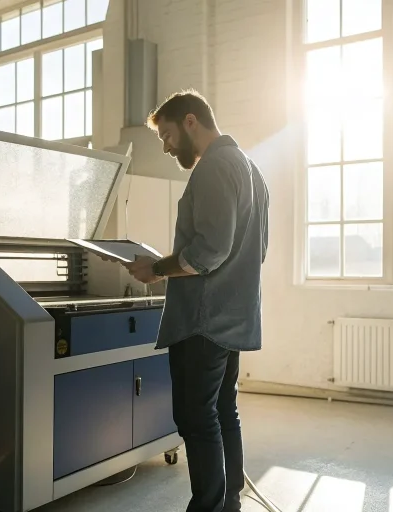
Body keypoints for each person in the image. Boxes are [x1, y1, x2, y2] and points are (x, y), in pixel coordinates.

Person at [121, 90, 269, 512]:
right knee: (223, 410)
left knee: (195, 417)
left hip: (204, 322)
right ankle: (230, 503)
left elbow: (208, 253)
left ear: (190, 121)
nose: (166, 147)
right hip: (233, 318)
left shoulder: (214, 168)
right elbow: (255, 250)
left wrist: (157, 268)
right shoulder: (252, 171)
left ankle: (208, 506)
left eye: (167, 135)